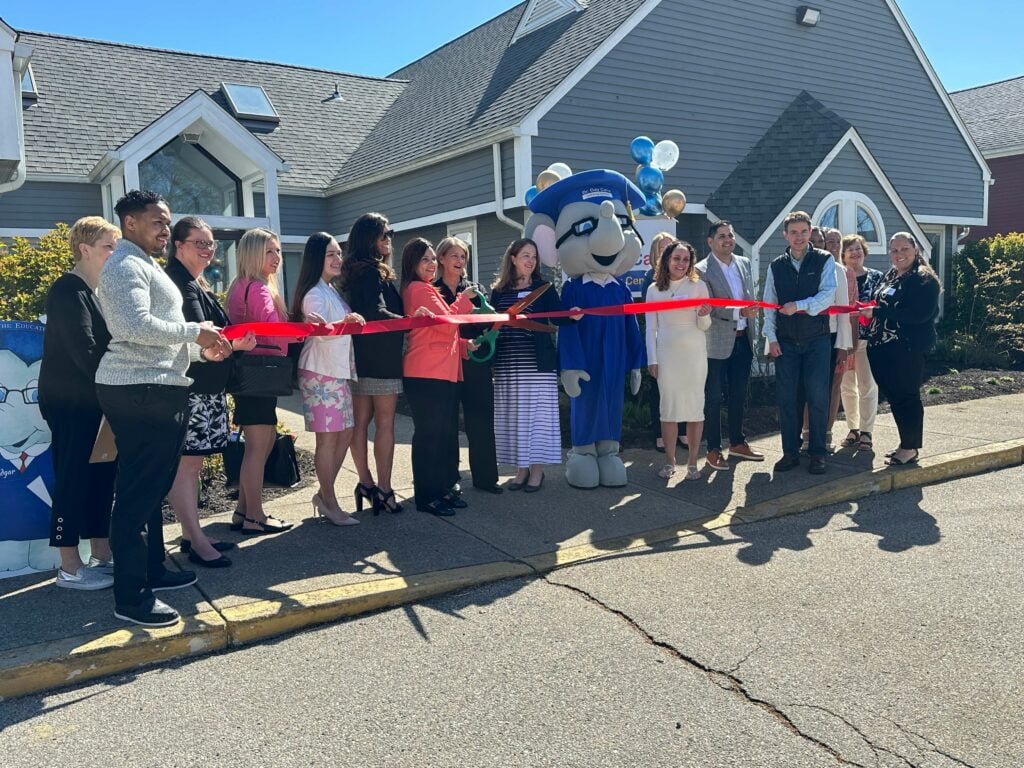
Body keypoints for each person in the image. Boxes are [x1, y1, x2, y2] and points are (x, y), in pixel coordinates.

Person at [96, 190, 231, 627]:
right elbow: (131, 326)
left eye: (167, 221)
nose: (164, 229)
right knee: (137, 494)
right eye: (157, 221)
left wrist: (199, 351)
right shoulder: (124, 264)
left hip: (157, 385)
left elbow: (159, 339)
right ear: (130, 222)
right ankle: (131, 598)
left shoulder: (144, 265)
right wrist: (197, 332)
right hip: (139, 391)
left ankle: (152, 570)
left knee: (151, 489)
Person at [165, 217, 256, 567]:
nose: (207, 249)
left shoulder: (195, 282)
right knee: (186, 466)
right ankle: (196, 539)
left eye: (211, 243)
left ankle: (193, 534)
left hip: (208, 388)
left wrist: (239, 343)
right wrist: (230, 339)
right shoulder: (180, 285)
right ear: (179, 246)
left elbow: (216, 336)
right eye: (199, 243)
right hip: (193, 390)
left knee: (193, 464)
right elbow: (198, 335)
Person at [38, 216, 120, 590]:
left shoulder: (95, 292)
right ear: (84, 249)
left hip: (95, 403)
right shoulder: (68, 290)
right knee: (72, 479)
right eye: (108, 247)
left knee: (101, 478)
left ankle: (101, 555)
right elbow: (86, 352)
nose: (114, 254)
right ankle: (69, 567)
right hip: (71, 405)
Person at [290, 232, 365, 526]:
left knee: (345, 433)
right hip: (320, 372)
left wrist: (349, 321)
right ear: (316, 259)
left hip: (337, 372)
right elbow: (319, 329)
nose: (338, 259)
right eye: (331, 254)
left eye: (338, 253)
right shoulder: (314, 293)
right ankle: (330, 502)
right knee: (328, 438)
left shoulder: (329, 289)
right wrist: (343, 323)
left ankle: (324, 495)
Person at [400, 238, 478, 515]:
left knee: (441, 435)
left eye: (433, 259)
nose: (432, 264)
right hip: (426, 372)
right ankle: (427, 495)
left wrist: (465, 347)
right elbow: (447, 325)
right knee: (430, 436)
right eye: (425, 259)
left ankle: (441, 490)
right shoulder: (420, 288)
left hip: (439, 371)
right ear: (412, 263)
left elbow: (437, 332)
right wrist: (463, 300)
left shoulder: (424, 288)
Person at [226, 228, 294, 536]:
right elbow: (273, 328)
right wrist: (307, 330)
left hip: (248, 372)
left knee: (260, 443)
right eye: (269, 251)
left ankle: (243, 510)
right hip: (262, 372)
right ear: (253, 254)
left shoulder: (239, 286)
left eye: (278, 251)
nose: (277, 257)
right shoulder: (259, 288)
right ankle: (255, 516)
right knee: (258, 445)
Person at [339, 213, 404, 515]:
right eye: (384, 234)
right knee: (385, 424)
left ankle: (365, 483)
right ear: (370, 239)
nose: (389, 239)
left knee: (361, 423)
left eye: (389, 233)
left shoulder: (352, 271)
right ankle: (385, 490)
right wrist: (411, 322)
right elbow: (376, 312)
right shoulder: (372, 272)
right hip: (381, 358)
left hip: (359, 357)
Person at [763, 211, 837, 475]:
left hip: (816, 340)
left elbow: (827, 296)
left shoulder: (823, 259)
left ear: (810, 233)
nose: (799, 237)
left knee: (818, 397)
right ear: (785, 235)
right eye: (793, 232)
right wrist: (771, 338)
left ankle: (817, 453)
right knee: (787, 399)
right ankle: (790, 453)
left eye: (803, 232)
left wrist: (800, 306)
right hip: (786, 342)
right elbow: (770, 305)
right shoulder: (776, 266)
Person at [490, 238, 566, 491]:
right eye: (525, 255)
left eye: (534, 256)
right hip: (508, 366)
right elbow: (491, 324)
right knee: (515, 419)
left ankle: (537, 472)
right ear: (513, 259)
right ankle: (521, 470)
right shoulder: (499, 291)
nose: (530, 260)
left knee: (538, 419)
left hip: (537, 366)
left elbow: (560, 316)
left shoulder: (544, 288)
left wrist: (573, 315)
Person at [863, 233, 940, 466]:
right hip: (881, 347)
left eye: (904, 249)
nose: (899, 254)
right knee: (895, 397)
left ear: (915, 250)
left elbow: (919, 315)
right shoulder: (891, 274)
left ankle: (910, 447)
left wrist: (876, 312)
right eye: (894, 250)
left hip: (906, 347)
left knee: (907, 396)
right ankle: (904, 442)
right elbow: (881, 303)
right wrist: (870, 310)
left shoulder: (923, 279)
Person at [434, 236, 502, 495]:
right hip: (446, 364)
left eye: (463, 257)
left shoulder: (476, 289)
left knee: (481, 420)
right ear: (441, 258)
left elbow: (489, 321)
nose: (460, 261)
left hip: (476, 362)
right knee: (447, 422)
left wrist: (491, 325)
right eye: (454, 256)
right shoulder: (434, 291)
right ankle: (450, 480)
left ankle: (486, 479)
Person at [696, 220, 763, 470]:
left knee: (738, 395)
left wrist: (751, 310)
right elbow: (708, 305)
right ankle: (713, 448)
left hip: (743, 341)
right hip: (716, 343)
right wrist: (740, 313)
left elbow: (748, 298)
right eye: (722, 236)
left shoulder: (744, 264)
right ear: (710, 241)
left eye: (731, 236)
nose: (728, 240)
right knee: (713, 397)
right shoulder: (701, 270)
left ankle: (737, 442)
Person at [645, 241, 712, 480]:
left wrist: (704, 316)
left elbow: (705, 325)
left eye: (685, 260)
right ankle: (670, 462)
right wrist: (652, 359)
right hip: (666, 355)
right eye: (677, 258)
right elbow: (650, 327)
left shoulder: (699, 286)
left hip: (693, 354)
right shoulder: (653, 290)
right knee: (669, 409)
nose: (681, 264)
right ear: (666, 260)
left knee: (695, 408)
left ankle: (693, 462)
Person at [839, 234, 883, 450]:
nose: (855, 253)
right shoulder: (839, 277)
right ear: (843, 256)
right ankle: (853, 429)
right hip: (844, 340)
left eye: (858, 249)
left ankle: (866, 431)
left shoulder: (878, 277)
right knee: (846, 387)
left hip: (867, 339)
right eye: (850, 250)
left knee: (867, 386)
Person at [639, 231, 678, 452]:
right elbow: (650, 318)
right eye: (663, 248)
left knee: (679, 389)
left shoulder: (685, 279)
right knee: (660, 390)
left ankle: (681, 432)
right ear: (655, 253)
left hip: (680, 345)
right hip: (660, 342)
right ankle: (660, 434)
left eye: (671, 247)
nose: (668, 252)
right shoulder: (649, 280)